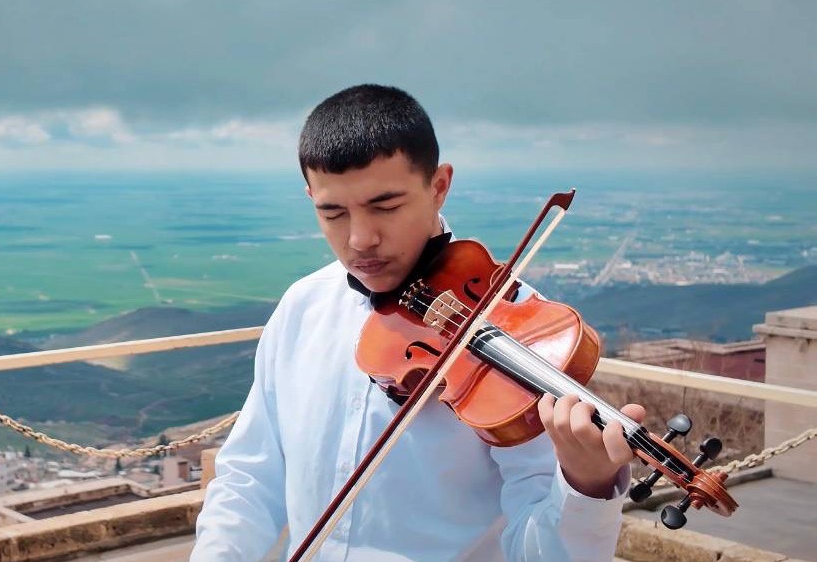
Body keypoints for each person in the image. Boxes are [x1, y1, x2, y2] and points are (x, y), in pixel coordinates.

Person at [192, 84, 645, 561]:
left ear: (439, 186)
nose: (360, 239)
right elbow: (250, 476)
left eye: (386, 207)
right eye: (332, 212)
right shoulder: (302, 306)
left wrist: (586, 485)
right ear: (310, 196)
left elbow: (540, 552)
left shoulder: (521, 331)